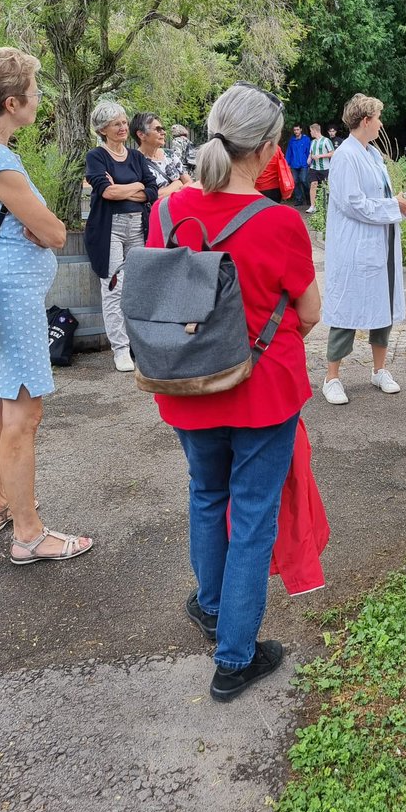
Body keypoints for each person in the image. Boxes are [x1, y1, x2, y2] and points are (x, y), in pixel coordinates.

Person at [145, 81, 322, 702]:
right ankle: (234, 658)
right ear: (270, 147)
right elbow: (309, 312)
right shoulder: (281, 222)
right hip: (261, 389)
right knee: (251, 516)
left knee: (205, 493)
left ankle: (214, 605)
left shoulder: (166, 212)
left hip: (186, 382)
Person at [0, 47, 92, 564]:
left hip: (7, 290)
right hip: (12, 295)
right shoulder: (2, 161)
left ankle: (4, 501)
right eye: (34, 92)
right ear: (12, 103)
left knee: (2, 401)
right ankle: (29, 534)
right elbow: (55, 231)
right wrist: (41, 228)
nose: (39, 99)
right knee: (24, 409)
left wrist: (37, 227)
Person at [321, 93, 406, 405]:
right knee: (347, 307)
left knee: (382, 306)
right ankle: (332, 377)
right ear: (365, 121)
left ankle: (379, 370)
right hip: (355, 245)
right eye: (378, 118)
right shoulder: (345, 156)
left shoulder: (371, 154)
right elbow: (353, 203)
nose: (381, 124)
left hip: (381, 242)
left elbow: (378, 194)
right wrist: (393, 205)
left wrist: (398, 199)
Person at [85, 100, 158, 373]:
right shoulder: (96, 157)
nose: (123, 127)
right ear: (103, 129)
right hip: (110, 229)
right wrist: (135, 188)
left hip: (138, 225)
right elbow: (107, 192)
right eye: (116, 124)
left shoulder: (136, 156)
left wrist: (131, 187)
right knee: (114, 288)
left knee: (138, 287)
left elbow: (151, 190)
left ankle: (139, 345)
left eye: (125, 122)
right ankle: (120, 349)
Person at [130, 112, 191, 199]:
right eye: (158, 129)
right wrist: (177, 184)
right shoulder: (135, 162)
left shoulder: (170, 155)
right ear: (141, 135)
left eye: (163, 129)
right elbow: (146, 196)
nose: (164, 132)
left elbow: (188, 183)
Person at [306, 122, 334, 214]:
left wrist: (320, 156)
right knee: (313, 184)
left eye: (311, 131)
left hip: (325, 168)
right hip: (314, 167)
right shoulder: (313, 142)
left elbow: (332, 153)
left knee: (325, 187)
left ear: (315, 131)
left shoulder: (326, 141)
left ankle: (327, 205)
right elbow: (311, 153)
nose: (310, 133)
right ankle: (312, 206)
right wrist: (309, 159)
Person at [285, 124, 311, 205]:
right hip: (294, 164)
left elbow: (309, 151)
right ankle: (299, 200)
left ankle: (309, 198)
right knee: (295, 182)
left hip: (304, 164)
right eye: (295, 130)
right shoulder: (292, 140)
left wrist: (310, 163)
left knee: (304, 180)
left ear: (301, 130)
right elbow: (289, 152)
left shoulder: (306, 139)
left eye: (297, 130)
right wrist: (287, 163)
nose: (296, 131)